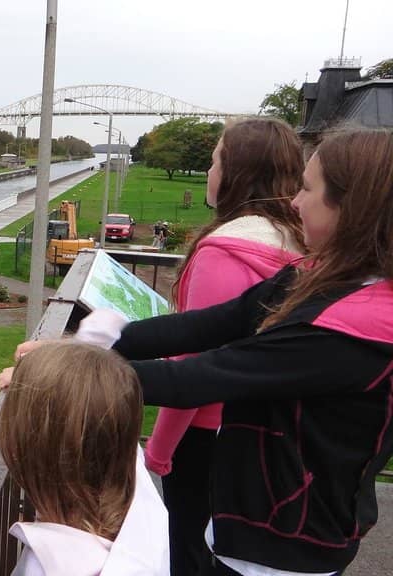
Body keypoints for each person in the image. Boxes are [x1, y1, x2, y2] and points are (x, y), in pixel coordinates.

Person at [9, 129, 393, 575]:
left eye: (308, 189)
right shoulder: (321, 277)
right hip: (258, 517)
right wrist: (104, 339)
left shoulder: (354, 331)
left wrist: (57, 376)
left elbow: (203, 376)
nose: (293, 202)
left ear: (353, 207)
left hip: (285, 548)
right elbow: (211, 324)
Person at [144, 117, 305, 576]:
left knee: (190, 551)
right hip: (268, 432)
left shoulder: (228, 251)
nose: (210, 172)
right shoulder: (297, 244)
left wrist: (158, 451)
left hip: (209, 437)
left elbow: (196, 367)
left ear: (236, 173)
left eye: (215, 161)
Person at [0, 341, 169, 576]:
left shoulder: (56, 566)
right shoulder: (135, 488)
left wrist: (36, 391)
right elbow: (96, 405)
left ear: (28, 446)